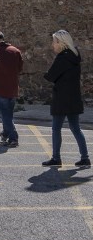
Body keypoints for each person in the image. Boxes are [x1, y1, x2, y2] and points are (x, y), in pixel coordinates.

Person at [42, 30, 90, 167]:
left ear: (61, 43)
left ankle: (56, 158)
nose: (53, 45)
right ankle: (85, 158)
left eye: (54, 42)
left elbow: (50, 76)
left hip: (62, 99)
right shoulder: (75, 56)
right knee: (76, 128)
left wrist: (46, 74)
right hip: (74, 98)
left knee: (56, 128)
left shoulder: (62, 58)